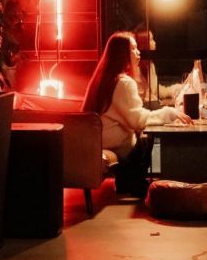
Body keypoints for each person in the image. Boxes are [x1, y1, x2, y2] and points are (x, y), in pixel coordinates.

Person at [82, 31, 192, 196]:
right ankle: (134, 181)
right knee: (148, 136)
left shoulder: (103, 79)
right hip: (114, 143)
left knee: (143, 133)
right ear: (123, 55)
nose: (138, 52)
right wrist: (170, 112)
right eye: (133, 48)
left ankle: (128, 180)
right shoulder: (124, 83)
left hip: (98, 139)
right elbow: (138, 120)